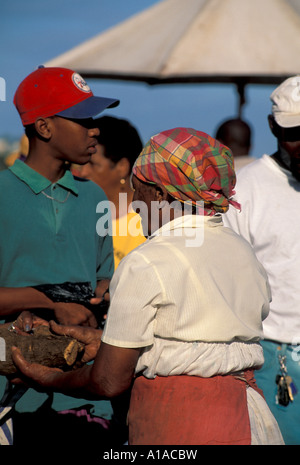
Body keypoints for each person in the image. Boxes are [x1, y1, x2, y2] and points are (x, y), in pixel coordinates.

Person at [12, 127, 284, 445]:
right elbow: (203, 342)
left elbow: (109, 381)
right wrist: (105, 341)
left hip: (180, 420)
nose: (134, 205)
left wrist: (51, 378)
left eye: (137, 191)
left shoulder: (148, 260)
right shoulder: (242, 250)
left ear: (158, 194)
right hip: (247, 417)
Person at [0, 65, 120, 446]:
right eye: (82, 118)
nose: (95, 128)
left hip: (82, 395)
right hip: (10, 397)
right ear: (45, 127)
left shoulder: (94, 198)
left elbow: (103, 279)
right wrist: (51, 301)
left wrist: (104, 296)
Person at [222, 76, 300, 445]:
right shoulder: (245, 190)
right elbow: (226, 284)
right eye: (295, 133)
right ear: (272, 126)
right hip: (271, 360)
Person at [79, 116, 145, 268]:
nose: (83, 172)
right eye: (81, 163)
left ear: (122, 167)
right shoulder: (76, 212)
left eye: (92, 164)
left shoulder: (148, 224)